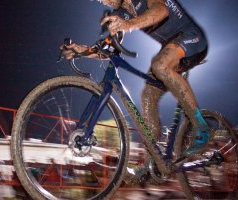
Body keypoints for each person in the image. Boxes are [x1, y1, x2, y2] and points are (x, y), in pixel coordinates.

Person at [62, 0, 209, 158]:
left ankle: (201, 126)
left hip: (192, 39)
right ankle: (153, 161)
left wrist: (129, 24)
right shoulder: (121, 13)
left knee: (160, 65)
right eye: (100, 0)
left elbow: (162, 10)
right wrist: (82, 51)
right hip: (172, 47)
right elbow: (109, 49)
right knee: (147, 96)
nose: (105, 2)